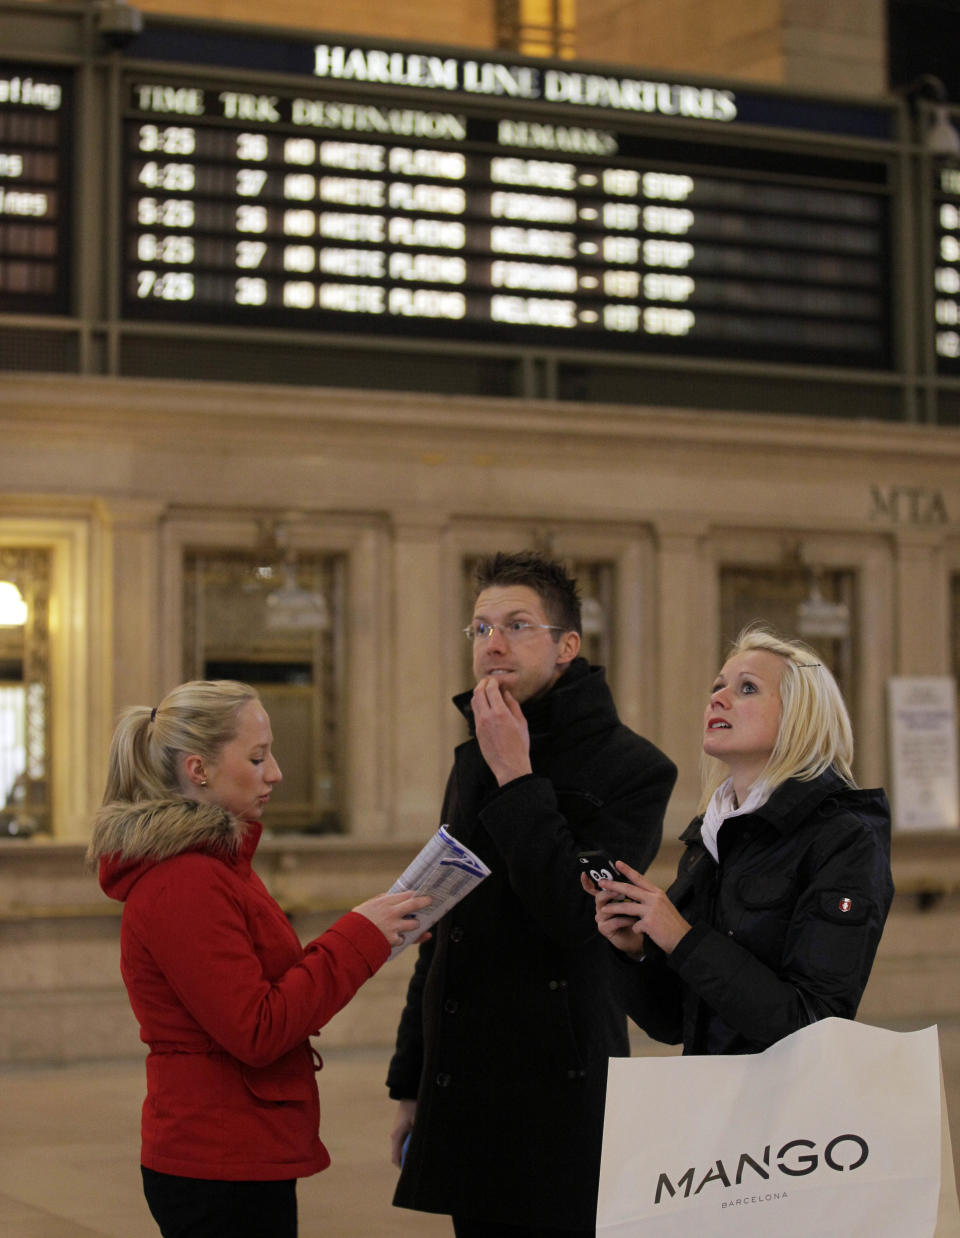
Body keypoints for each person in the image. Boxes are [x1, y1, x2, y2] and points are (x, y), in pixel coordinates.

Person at [387, 551, 677, 1237]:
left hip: (562, 1092)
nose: (493, 643)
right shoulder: (473, 757)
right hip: (466, 1084)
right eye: (481, 627)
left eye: (517, 625)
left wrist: (517, 777)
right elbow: (442, 923)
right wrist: (413, 1083)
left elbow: (576, 916)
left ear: (567, 646)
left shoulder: (634, 769)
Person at [87, 679, 430, 1238]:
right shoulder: (186, 880)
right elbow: (258, 1027)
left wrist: (371, 937)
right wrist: (359, 937)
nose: (275, 773)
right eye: (256, 756)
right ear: (198, 769)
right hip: (216, 1156)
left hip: (237, 1144)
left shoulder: (213, 867)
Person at [587, 625, 894, 1057]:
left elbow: (813, 1024)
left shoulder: (844, 838)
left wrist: (681, 937)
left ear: (799, 715)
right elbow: (674, 1022)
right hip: (715, 1107)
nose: (717, 698)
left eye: (747, 688)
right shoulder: (712, 835)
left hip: (791, 1117)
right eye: (717, 687)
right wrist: (634, 952)